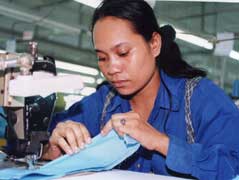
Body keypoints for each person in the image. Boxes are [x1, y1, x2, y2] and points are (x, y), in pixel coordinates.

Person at [42, 0, 239, 179]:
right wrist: (54, 147)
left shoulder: (201, 99)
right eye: (102, 58)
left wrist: (161, 142)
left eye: (123, 53)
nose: (111, 68)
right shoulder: (103, 103)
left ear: (154, 44)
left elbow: (232, 164)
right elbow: (42, 140)